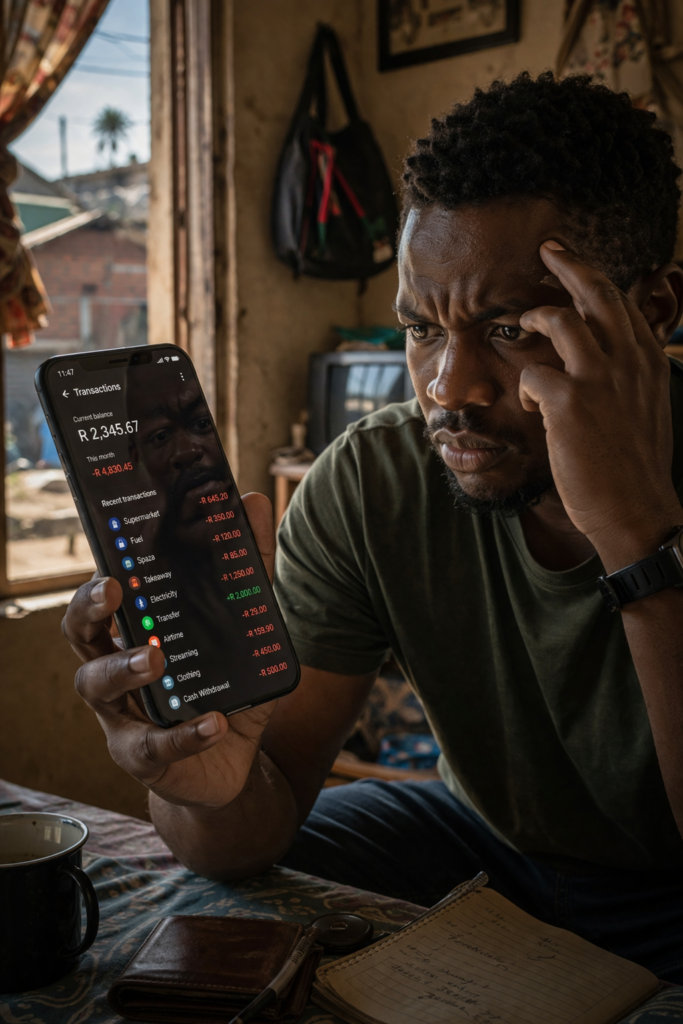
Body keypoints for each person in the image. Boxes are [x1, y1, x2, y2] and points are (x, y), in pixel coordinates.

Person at [64, 72, 683, 983]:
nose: (446, 389)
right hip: (486, 844)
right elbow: (247, 826)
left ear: (651, 316)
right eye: (422, 329)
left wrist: (639, 537)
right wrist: (200, 782)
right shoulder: (374, 477)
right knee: (217, 910)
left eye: (509, 328)